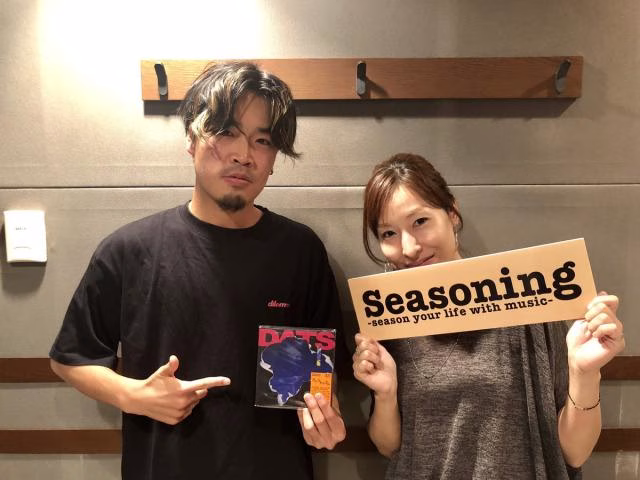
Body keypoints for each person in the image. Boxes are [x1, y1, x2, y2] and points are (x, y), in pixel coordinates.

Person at [49, 61, 346, 480]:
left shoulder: (300, 251)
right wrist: (135, 395)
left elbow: (320, 375)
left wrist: (324, 418)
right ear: (191, 138)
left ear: (275, 157)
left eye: (262, 140)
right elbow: (70, 359)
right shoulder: (129, 250)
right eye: (226, 132)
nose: (244, 155)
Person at [352, 153, 625, 479]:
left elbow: (574, 452)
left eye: (420, 222)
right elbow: (389, 448)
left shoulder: (530, 298)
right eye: (388, 233)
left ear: (452, 214)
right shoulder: (387, 319)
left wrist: (584, 373)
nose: (408, 247)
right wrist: (385, 394)